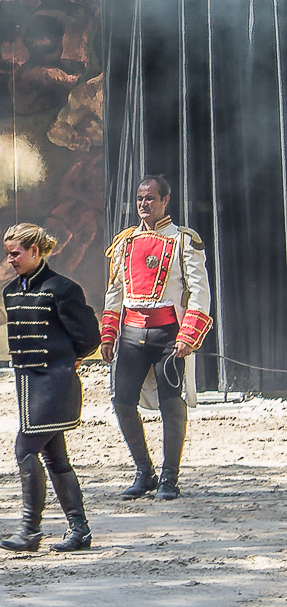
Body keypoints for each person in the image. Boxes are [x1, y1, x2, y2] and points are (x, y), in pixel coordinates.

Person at [100, 175, 212, 500]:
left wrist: (188, 334)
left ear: (165, 200)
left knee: (171, 405)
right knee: (122, 402)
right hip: (132, 334)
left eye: (150, 198)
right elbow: (115, 292)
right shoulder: (124, 242)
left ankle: (170, 478)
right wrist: (109, 333)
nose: (143, 204)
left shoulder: (183, 241)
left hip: (168, 335)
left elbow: (199, 293)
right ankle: (143, 472)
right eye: (139, 198)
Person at [0, 223, 100, 552]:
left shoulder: (62, 288)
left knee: (25, 449)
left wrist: (71, 358)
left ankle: (30, 530)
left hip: (55, 384)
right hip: (29, 385)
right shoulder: (11, 291)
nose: (10, 260)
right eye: (8, 254)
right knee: (56, 458)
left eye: (15, 253)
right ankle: (79, 529)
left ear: (35, 251)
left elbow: (88, 338)